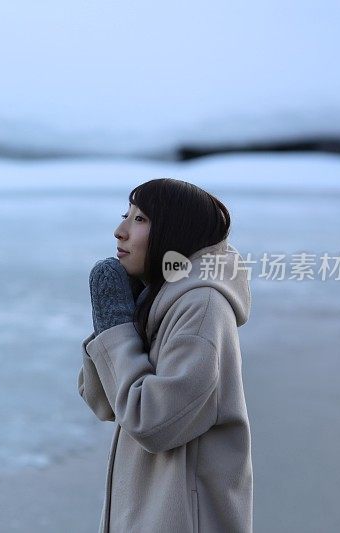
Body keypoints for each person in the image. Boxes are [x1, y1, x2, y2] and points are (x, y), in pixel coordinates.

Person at [77, 178, 253, 532]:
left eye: (140, 220)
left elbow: (152, 422)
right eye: (125, 216)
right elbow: (102, 402)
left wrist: (115, 329)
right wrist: (116, 320)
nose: (120, 231)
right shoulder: (161, 300)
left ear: (175, 230)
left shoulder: (201, 307)